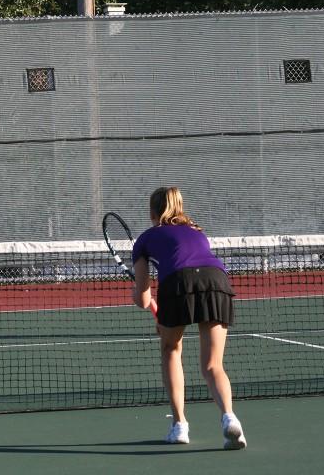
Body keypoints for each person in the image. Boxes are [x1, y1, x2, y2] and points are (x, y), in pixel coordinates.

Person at [131, 186, 246, 449]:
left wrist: (136, 294)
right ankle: (229, 417)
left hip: (178, 285)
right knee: (213, 365)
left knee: (171, 349)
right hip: (217, 281)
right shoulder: (197, 231)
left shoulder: (145, 239)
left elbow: (144, 300)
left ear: (152, 210)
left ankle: (180, 425)